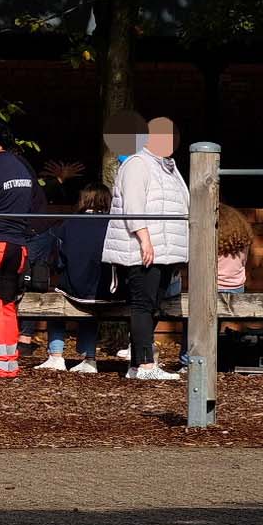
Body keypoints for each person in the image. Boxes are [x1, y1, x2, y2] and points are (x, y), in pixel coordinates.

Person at [100, 118, 190, 382]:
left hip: (165, 251)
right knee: (142, 304)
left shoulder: (168, 168)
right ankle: (146, 365)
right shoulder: (137, 164)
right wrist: (144, 239)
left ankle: (138, 364)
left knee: (153, 306)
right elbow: (134, 205)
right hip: (144, 248)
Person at [0, 122, 44, 379]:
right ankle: (9, 359)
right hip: (19, 245)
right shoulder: (21, 165)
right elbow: (37, 203)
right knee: (8, 303)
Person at [40, 183, 113, 373]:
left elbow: (57, 261)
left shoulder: (69, 223)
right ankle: (89, 358)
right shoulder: (115, 223)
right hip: (110, 290)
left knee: (56, 302)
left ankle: (56, 356)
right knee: (91, 305)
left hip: (76, 288)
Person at [217, 203, 254, 294]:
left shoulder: (209, 237)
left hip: (212, 286)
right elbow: (244, 261)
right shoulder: (241, 236)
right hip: (236, 287)